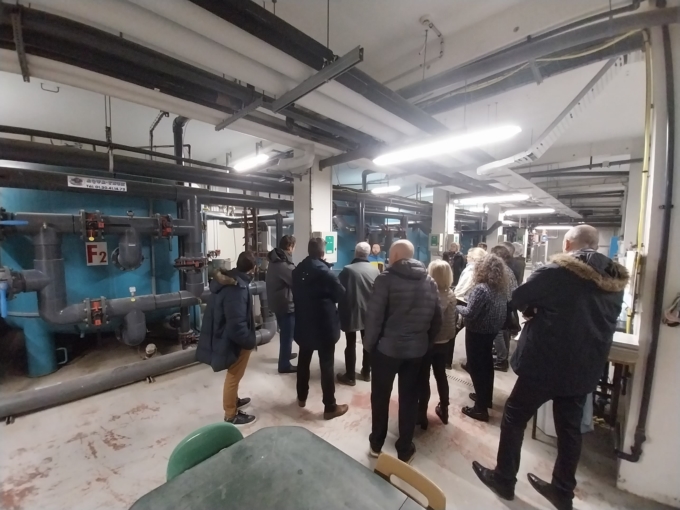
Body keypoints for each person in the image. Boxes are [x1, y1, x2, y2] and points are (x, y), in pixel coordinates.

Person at [472, 225, 628, 510]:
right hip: (584, 366)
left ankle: (504, 479)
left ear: (567, 244)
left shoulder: (556, 272)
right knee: (570, 431)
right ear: (597, 246)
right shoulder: (615, 279)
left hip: (544, 364)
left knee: (514, 417)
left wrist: (536, 310)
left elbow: (517, 299)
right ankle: (562, 492)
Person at [364, 240, 442, 463]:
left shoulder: (385, 280)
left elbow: (374, 318)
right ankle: (405, 448)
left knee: (380, 397)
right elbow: (437, 319)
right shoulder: (429, 282)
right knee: (409, 398)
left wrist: (370, 346)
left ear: (396, 255)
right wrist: (425, 343)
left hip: (386, 351)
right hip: (416, 352)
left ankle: (376, 444)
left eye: (390, 254)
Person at [196, 251, 258, 425]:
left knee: (234, 374)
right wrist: (249, 341)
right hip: (233, 339)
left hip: (224, 334)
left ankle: (234, 400)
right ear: (252, 269)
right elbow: (236, 324)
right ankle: (231, 414)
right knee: (234, 375)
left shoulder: (229, 280)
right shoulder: (237, 289)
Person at [293, 238, 349, 420]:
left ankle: (301, 397)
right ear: (323, 253)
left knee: (303, 360)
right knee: (326, 365)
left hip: (304, 323)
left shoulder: (297, 271)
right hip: (324, 325)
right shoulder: (326, 273)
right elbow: (340, 294)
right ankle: (330, 407)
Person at [456, 254, 508, 422]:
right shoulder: (500, 289)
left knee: (477, 368)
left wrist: (456, 306)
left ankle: (480, 409)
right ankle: (485, 398)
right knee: (486, 366)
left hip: (477, 332)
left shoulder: (481, 289)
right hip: (491, 331)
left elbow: (470, 313)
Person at [417, 260, 456, 428]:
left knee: (423, 377)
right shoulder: (451, 294)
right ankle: (444, 408)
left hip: (429, 341)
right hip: (445, 341)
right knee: (441, 375)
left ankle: (421, 414)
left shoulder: (428, 295)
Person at [337, 242, 380, 386]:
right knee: (367, 343)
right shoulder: (375, 270)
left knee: (350, 343)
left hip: (352, 311)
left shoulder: (347, 270)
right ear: (368, 254)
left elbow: (339, 290)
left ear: (356, 253)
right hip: (370, 313)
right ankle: (367, 372)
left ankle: (350, 376)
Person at [448, 247, 486, 370]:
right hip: (471, 301)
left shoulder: (471, 270)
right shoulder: (483, 269)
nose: (467, 258)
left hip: (462, 302)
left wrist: (452, 297)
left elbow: (461, 289)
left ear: (474, 258)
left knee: (452, 332)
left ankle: (446, 362)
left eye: (468, 256)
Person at [265, 235, 298, 374]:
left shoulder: (275, 260)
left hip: (277, 302)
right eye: (294, 246)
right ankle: (284, 365)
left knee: (285, 333)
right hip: (285, 304)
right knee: (287, 335)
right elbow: (295, 280)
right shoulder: (283, 264)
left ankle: (286, 354)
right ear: (290, 246)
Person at [490, 245, 518, 372]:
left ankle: (502, 360)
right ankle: (503, 356)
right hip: (508, 303)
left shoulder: (501, 271)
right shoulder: (508, 270)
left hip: (501, 303)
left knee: (499, 332)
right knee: (504, 331)